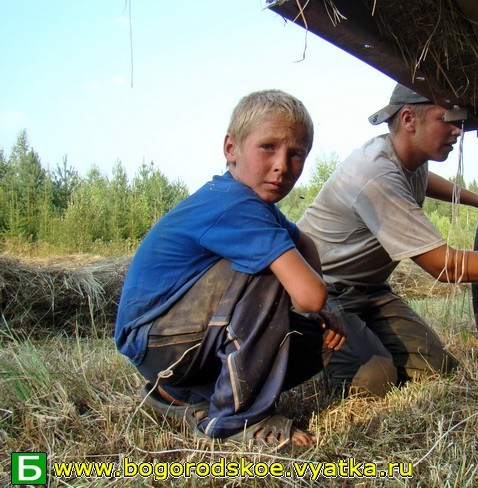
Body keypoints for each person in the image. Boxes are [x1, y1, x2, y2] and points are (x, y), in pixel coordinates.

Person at [297, 83, 478, 397]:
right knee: (374, 383)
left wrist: (477, 199)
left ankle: (365, 343)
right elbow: (446, 268)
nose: (458, 132)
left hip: (370, 292)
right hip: (320, 295)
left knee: (437, 370)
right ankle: (308, 348)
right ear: (409, 119)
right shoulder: (376, 175)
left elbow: (424, 181)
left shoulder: (406, 157)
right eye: (448, 120)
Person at [114, 89, 345, 449]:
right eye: (268, 147)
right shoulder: (234, 204)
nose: (283, 165)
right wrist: (318, 307)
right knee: (268, 268)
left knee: (315, 338)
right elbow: (311, 295)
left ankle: (180, 394)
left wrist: (321, 313)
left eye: (296, 153)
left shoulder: (253, 203)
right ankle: (235, 420)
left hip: (167, 342)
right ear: (231, 149)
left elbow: (306, 244)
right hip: (155, 339)